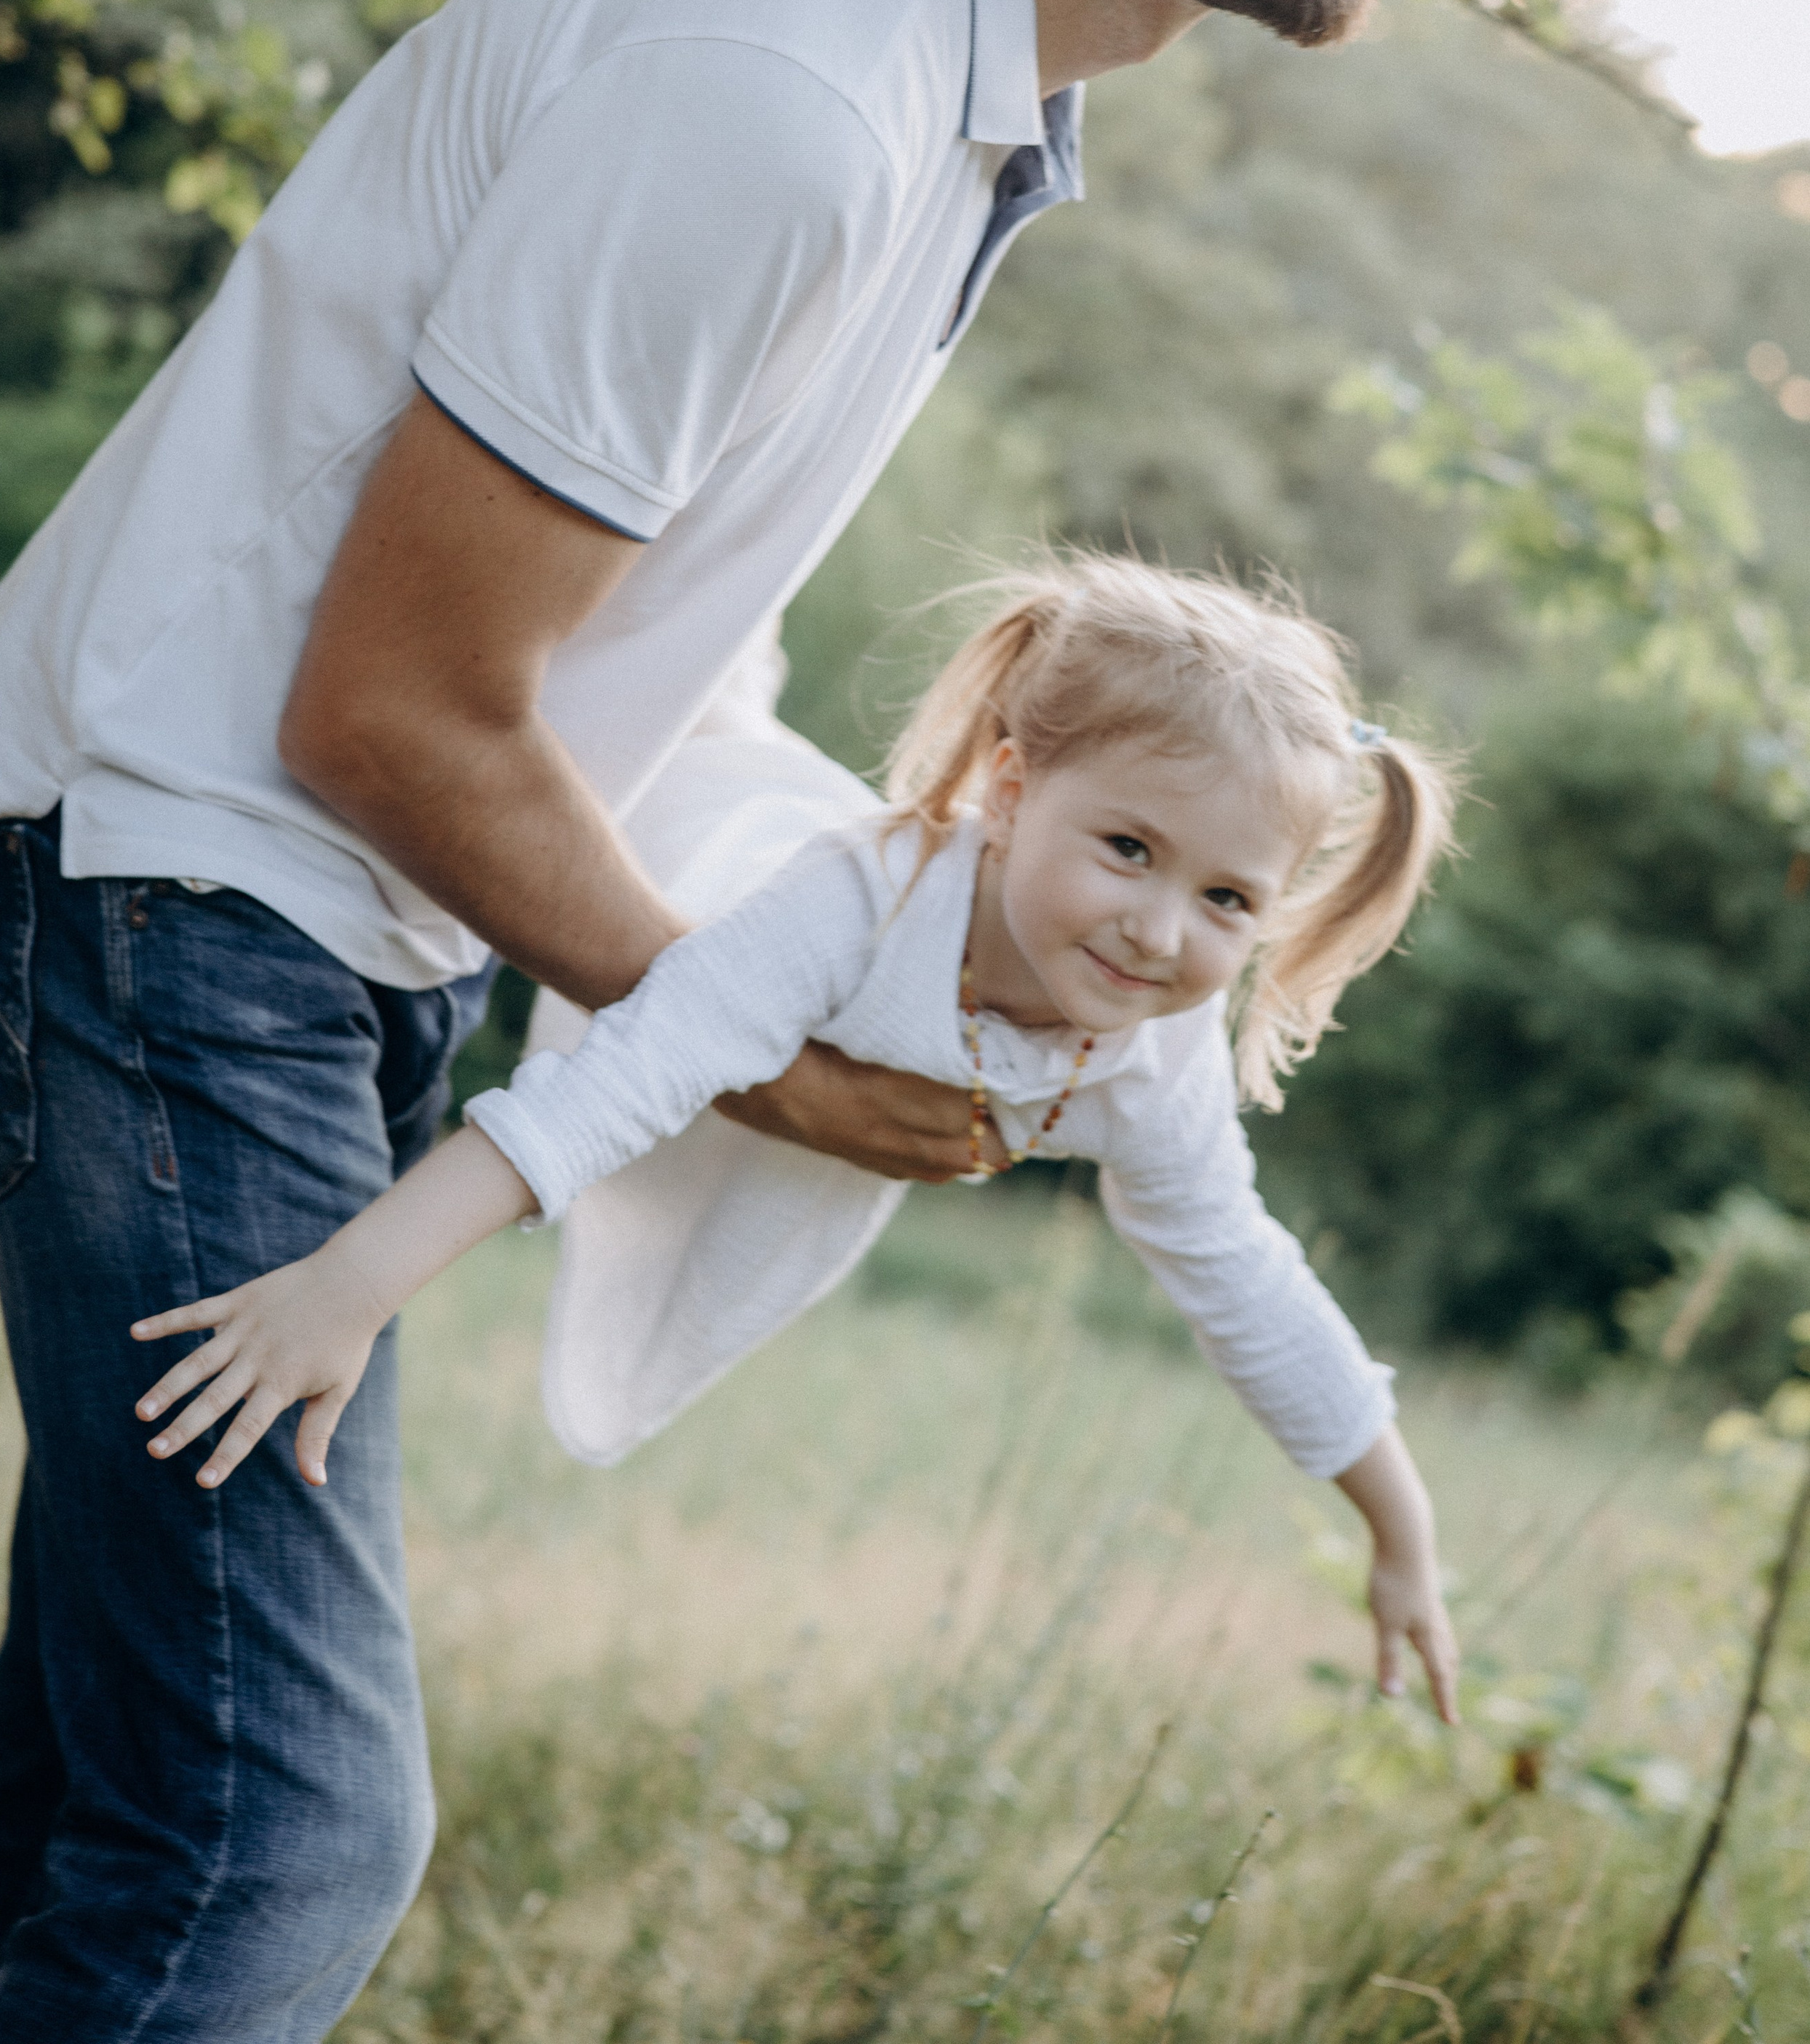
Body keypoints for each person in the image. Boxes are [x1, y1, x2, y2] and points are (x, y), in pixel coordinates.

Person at [0, 0, 1448, 2041]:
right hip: (187, 885)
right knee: (279, 1835)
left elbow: (643, 657)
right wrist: (770, 1056)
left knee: (91, 1773)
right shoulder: (789, 97)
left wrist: (857, 925)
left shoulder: (964, 92)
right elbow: (397, 709)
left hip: (324, 917)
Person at [130, 561, 1463, 1725]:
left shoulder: (1160, 1050)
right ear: (1008, 789)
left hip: (791, 958)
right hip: (683, 836)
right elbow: (619, 1083)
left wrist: (1400, 1532)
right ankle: (721, 600)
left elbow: (1244, 1276)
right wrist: (348, 1290)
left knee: (738, 699)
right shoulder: (851, 901)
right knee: (687, 702)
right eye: (1127, 848)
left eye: (1227, 897)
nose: (1161, 933)